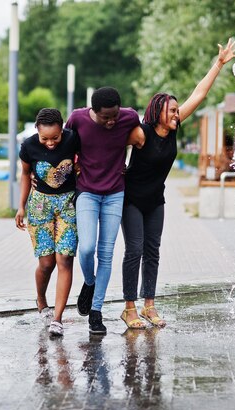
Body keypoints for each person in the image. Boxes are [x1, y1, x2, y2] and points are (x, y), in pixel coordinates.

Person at [119, 38, 235, 329]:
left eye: (177, 110)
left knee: (153, 250)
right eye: (171, 110)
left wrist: (219, 64)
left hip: (155, 201)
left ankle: (149, 305)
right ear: (158, 111)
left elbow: (198, 94)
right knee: (134, 250)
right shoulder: (141, 133)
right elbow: (110, 143)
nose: (176, 114)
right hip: (131, 199)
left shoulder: (172, 129)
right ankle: (129, 308)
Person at [66, 86, 141, 335]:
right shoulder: (77, 118)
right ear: (93, 111)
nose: (111, 121)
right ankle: (89, 282)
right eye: (105, 117)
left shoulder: (129, 116)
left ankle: (96, 312)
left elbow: (141, 138)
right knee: (86, 248)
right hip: (87, 191)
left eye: (114, 116)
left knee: (106, 254)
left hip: (114, 194)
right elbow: (64, 147)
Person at [15, 108, 80, 337]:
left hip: (68, 205)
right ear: (37, 131)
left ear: (62, 129)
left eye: (55, 138)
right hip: (39, 206)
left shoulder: (73, 138)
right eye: (45, 138)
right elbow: (24, 174)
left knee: (65, 259)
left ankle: (58, 318)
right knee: (47, 263)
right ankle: (41, 299)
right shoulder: (28, 146)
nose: (51, 143)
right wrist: (21, 206)